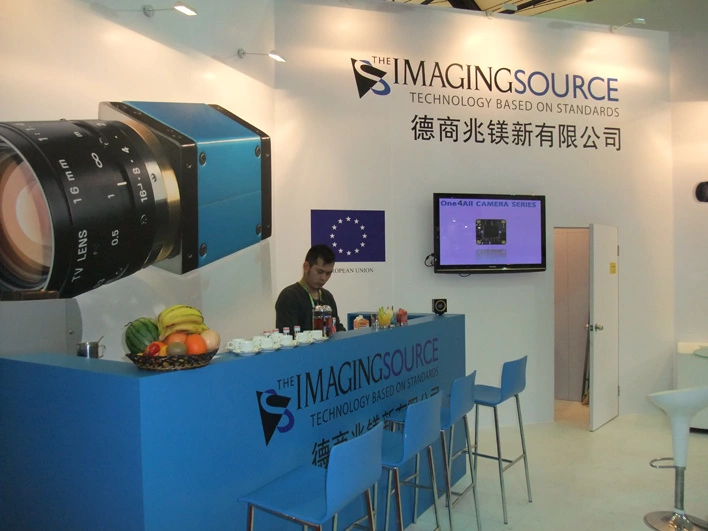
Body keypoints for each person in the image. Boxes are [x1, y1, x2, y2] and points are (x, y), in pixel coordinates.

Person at [275, 244, 346, 333]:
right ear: (306, 266)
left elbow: (336, 327)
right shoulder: (289, 296)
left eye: (328, 273)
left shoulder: (327, 296)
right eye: (319, 272)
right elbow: (288, 336)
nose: (323, 278)